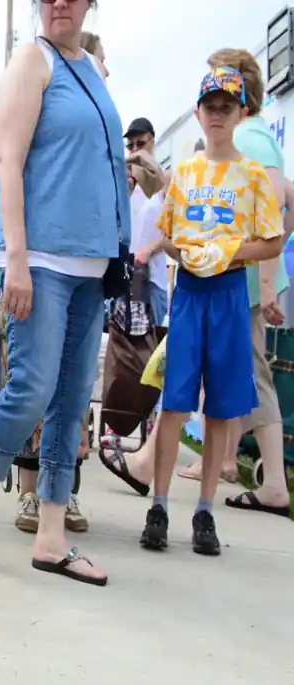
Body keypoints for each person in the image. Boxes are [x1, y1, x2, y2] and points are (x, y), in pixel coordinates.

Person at [0, 0, 127, 586]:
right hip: (41, 259)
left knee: (71, 402)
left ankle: (51, 535)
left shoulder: (92, 70)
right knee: (30, 388)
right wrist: (14, 258)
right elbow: (11, 163)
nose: (58, 4)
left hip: (92, 264)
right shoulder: (30, 60)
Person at [141, 66, 284, 555]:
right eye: (211, 107)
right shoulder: (185, 172)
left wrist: (227, 252)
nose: (218, 114)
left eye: (228, 106)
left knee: (223, 403)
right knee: (175, 399)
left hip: (227, 295)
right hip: (189, 296)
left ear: (241, 112)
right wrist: (185, 252)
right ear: (199, 114)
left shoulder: (253, 175)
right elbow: (168, 234)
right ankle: (158, 504)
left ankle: (205, 510)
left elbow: (272, 241)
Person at [208, 48, 290, 516]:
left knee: (254, 376)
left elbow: (276, 208)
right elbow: (290, 202)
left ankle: (274, 484)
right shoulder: (257, 138)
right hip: (242, 279)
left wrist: (263, 279)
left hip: (243, 284)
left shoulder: (252, 142)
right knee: (238, 373)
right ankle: (224, 462)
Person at [124, 118, 171, 325]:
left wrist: (150, 249)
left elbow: (175, 233)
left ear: (153, 142)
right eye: (130, 146)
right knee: (124, 351)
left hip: (152, 281)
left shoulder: (165, 181)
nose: (135, 151)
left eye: (140, 144)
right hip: (125, 278)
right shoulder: (124, 183)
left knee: (149, 347)